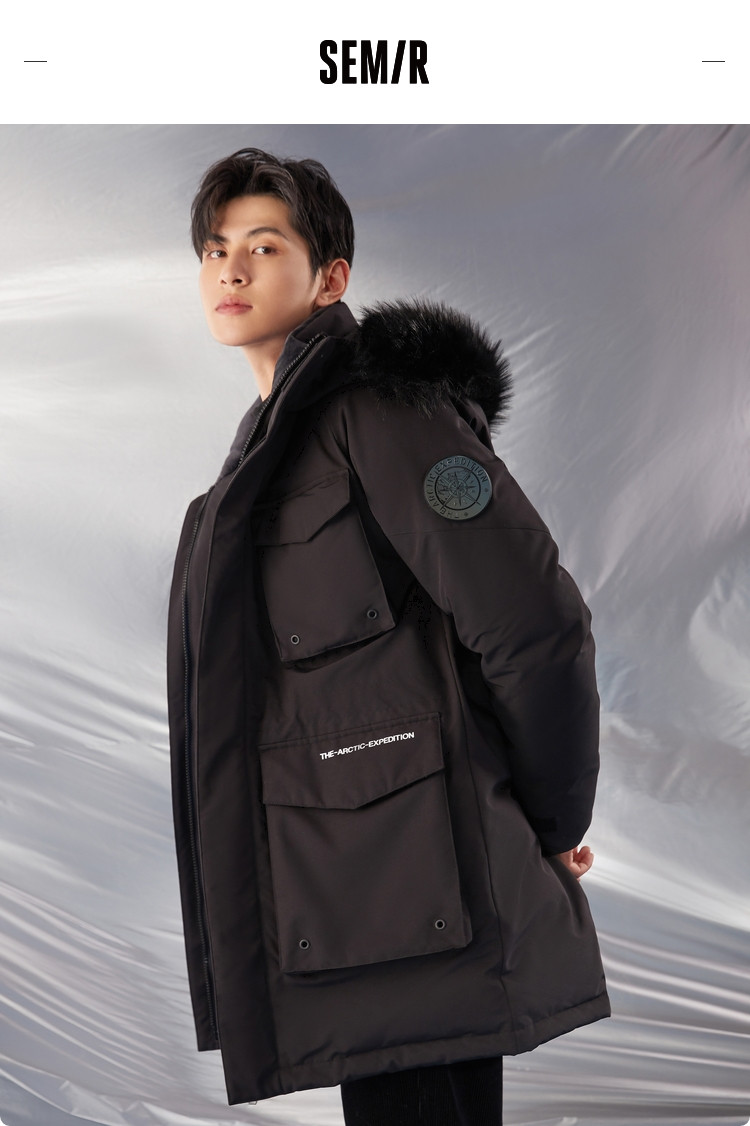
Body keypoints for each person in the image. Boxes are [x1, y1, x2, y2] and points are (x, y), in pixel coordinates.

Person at [167, 147, 610, 1124]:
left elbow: (535, 626)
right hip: (354, 902)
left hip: (422, 898)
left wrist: (551, 824)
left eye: (263, 245)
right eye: (215, 248)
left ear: (331, 277)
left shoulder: (383, 416)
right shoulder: (263, 462)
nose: (231, 269)